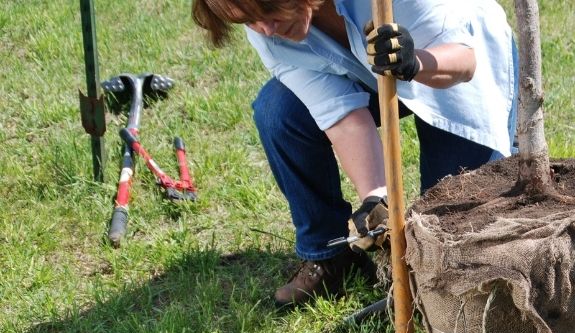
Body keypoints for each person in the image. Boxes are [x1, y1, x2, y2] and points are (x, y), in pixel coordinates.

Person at [192, 0, 517, 307]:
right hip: (369, 73)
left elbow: (465, 63)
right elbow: (338, 112)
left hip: (452, 67)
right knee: (278, 111)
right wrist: (376, 197)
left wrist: (413, 61)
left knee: (449, 230)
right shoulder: (268, 29)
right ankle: (331, 258)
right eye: (247, 19)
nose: (265, 29)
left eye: (268, 9)